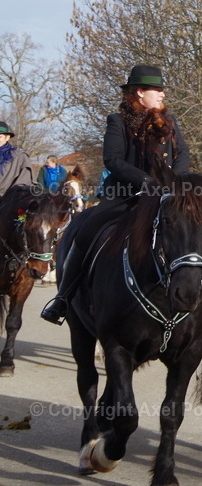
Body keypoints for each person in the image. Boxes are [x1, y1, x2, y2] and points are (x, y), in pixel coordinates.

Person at [41, 64, 191, 325]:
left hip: (167, 194)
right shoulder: (118, 120)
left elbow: (184, 155)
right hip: (126, 195)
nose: (162, 94)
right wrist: (147, 183)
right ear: (140, 92)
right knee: (86, 230)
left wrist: (173, 182)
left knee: (201, 229)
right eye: (157, 89)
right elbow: (113, 160)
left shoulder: (170, 122)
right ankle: (63, 298)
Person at [0, 121, 33, 197]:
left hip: (8, 202)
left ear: (7, 137)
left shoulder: (18, 156)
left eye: (0, 137)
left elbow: (24, 181)